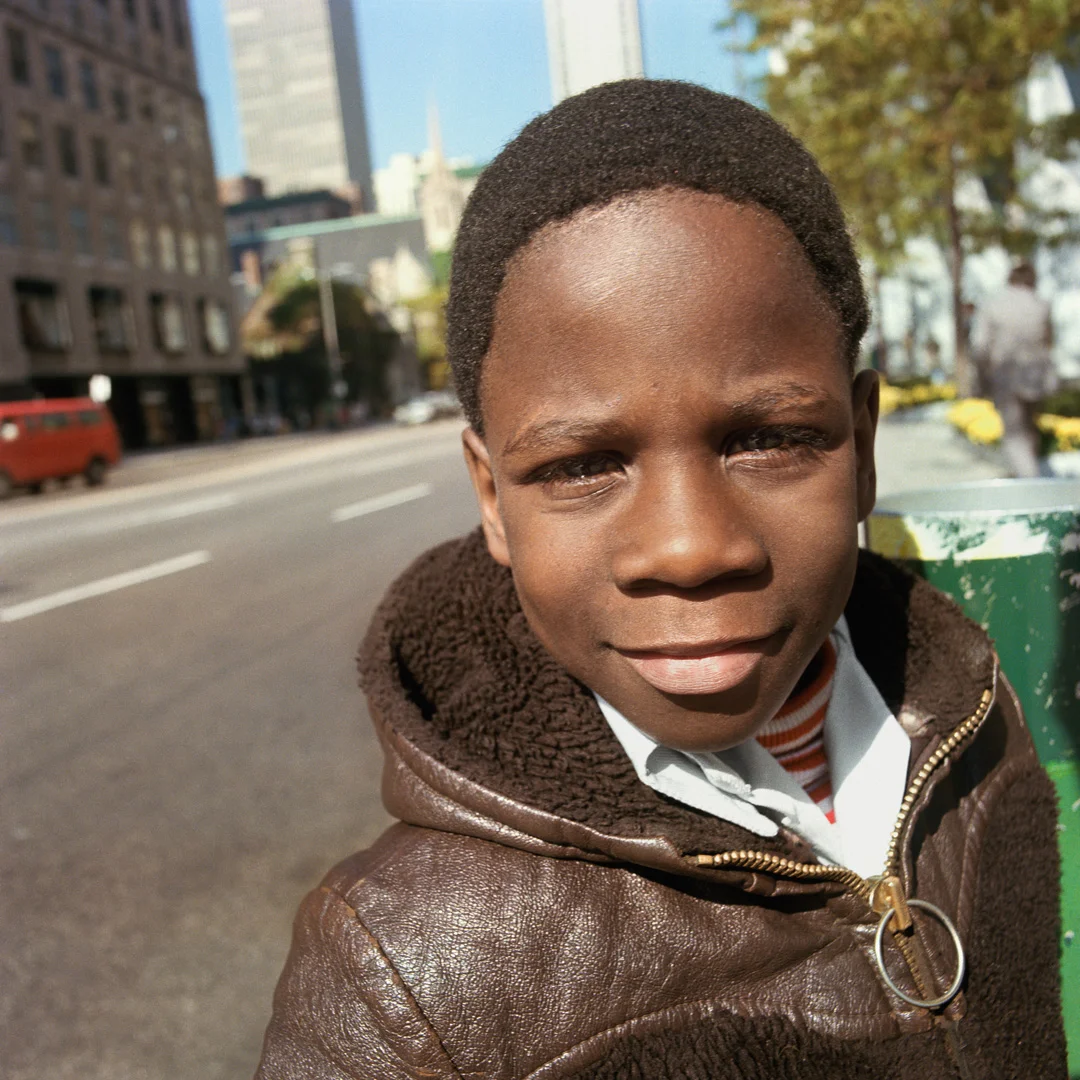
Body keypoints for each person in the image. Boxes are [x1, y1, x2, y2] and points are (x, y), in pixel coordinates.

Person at [256, 82, 1065, 1079]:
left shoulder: (981, 720)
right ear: (493, 497)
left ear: (860, 442)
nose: (690, 548)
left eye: (768, 439)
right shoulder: (401, 975)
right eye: (581, 465)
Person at [971, 261, 1057, 478]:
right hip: (1036, 379)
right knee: (1029, 431)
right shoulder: (1041, 304)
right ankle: (1027, 475)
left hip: (1005, 378)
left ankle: (1030, 482)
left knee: (1015, 435)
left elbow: (980, 347)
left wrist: (980, 381)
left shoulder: (993, 304)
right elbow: (1049, 342)